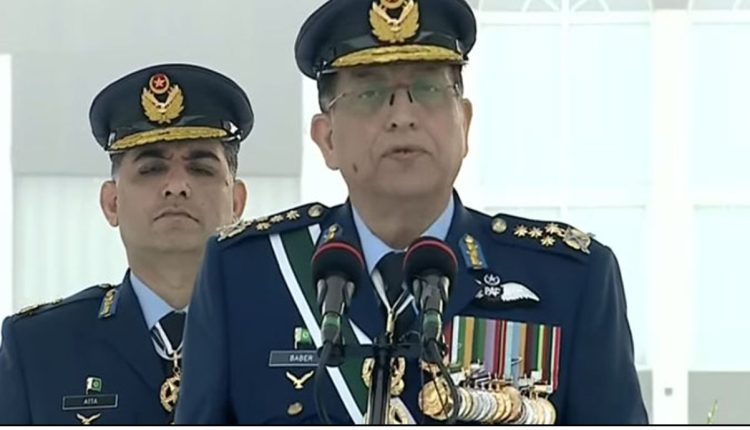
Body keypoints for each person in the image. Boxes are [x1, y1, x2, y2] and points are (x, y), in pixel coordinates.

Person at [175, 0, 647, 424]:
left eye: (427, 89)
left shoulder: (568, 280)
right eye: (369, 95)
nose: (403, 116)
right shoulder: (246, 275)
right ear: (327, 138)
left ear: (464, 123)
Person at [0, 63, 253, 424]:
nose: (176, 186)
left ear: (237, 203)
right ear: (112, 203)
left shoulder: (292, 331)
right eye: (151, 169)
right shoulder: (38, 347)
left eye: (201, 168)